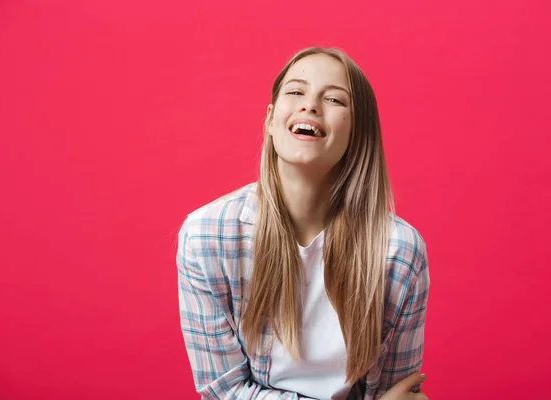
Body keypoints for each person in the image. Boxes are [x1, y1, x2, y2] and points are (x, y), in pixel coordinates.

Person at [176, 47, 430, 400]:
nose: (309, 105)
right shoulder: (206, 237)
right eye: (295, 91)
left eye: (335, 100)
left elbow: (397, 393)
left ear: (358, 132)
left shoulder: (398, 252)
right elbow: (224, 392)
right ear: (270, 118)